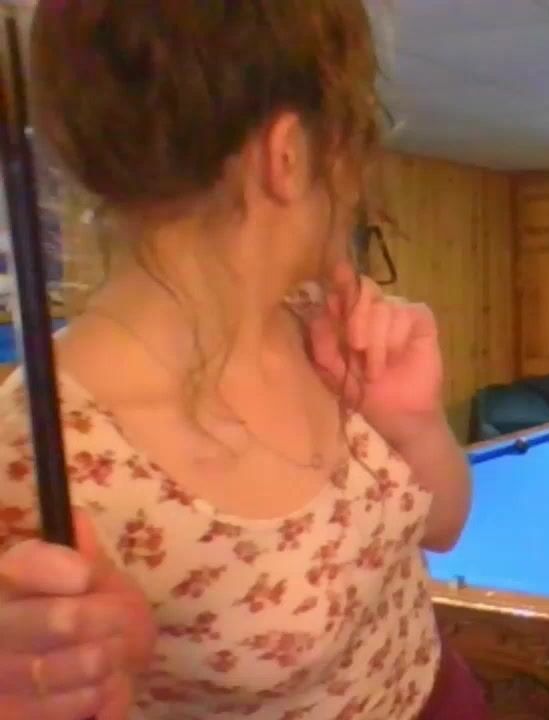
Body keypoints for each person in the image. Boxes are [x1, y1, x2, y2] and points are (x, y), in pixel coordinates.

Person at [0, 2, 487, 718]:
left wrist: (414, 427)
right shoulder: (36, 453)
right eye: (350, 140)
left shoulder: (323, 323)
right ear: (287, 156)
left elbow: (441, 528)